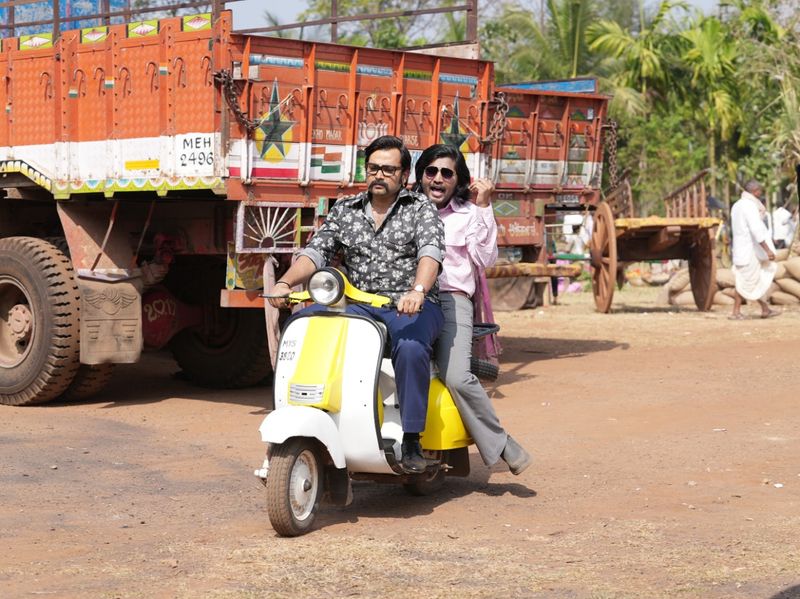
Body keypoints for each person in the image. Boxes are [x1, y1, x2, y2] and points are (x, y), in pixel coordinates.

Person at [266, 135, 445, 474]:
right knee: (303, 324)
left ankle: (411, 437)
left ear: (403, 174)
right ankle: (305, 413)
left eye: (388, 169)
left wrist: (418, 290)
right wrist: (286, 282)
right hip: (358, 304)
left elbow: (430, 254)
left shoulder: (420, 208)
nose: (379, 175)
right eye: (373, 168)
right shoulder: (346, 209)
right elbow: (316, 252)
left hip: (409, 305)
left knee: (410, 346)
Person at [414, 143, 531, 475]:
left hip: (451, 300)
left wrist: (482, 207)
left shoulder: (469, 213)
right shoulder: (405, 209)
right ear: (421, 175)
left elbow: (485, 259)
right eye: (431, 171)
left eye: (446, 173)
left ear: (458, 180)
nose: (438, 178)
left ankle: (501, 443)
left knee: (456, 376)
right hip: (409, 300)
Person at [730, 180, 779, 320]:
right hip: (749, 250)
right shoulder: (749, 206)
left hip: (742, 248)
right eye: (760, 190)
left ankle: (765, 309)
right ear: (755, 191)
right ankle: (735, 312)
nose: (761, 193)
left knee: (754, 280)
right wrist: (767, 250)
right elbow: (756, 229)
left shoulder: (737, 205)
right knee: (745, 282)